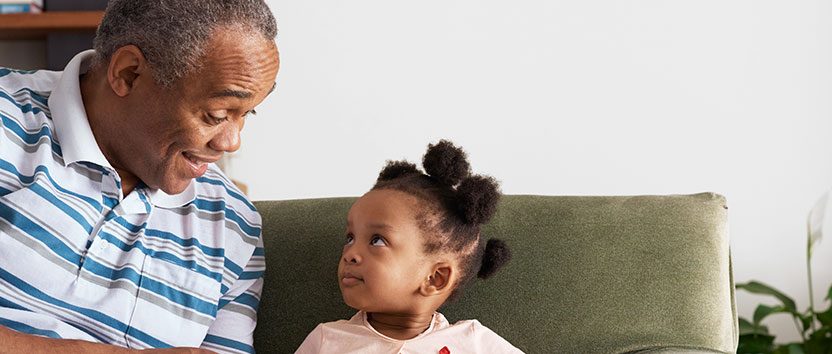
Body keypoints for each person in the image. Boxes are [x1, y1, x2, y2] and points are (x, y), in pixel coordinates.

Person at [0, 0, 279, 353]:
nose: (231, 142)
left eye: (247, 113)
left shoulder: (235, 225)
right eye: (216, 113)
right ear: (128, 73)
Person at [295, 140, 524, 353]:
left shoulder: (473, 342)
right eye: (350, 238)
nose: (350, 254)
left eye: (377, 240)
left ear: (435, 278)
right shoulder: (327, 340)